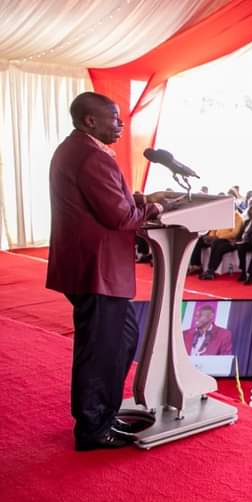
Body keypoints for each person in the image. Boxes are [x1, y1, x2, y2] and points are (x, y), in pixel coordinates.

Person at [46, 91, 164, 451]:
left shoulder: (78, 149)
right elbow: (118, 217)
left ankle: (103, 413)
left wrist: (137, 200)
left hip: (91, 267)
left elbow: (107, 202)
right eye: (114, 118)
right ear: (90, 121)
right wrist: (153, 208)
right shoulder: (91, 156)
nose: (121, 124)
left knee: (121, 338)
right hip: (96, 270)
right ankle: (93, 428)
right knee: (101, 348)